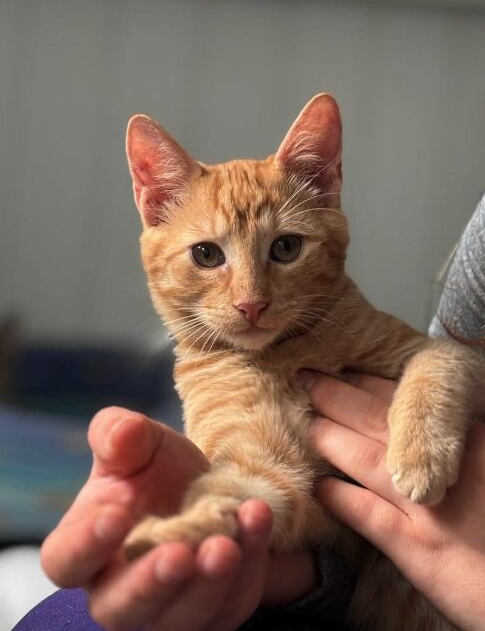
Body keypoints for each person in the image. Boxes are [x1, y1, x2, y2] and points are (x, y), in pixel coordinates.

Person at [24, 195, 485, 631]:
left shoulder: (346, 321)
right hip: (358, 589)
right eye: (207, 255)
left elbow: (443, 359)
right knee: (74, 615)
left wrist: (426, 409)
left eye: (284, 248)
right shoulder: (205, 369)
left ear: (327, 195)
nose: (251, 296)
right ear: (154, 206)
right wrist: (218, 523)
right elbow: (265, 477)